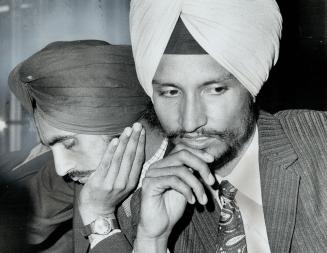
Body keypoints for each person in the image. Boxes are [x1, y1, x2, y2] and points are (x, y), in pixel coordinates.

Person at [127, 0, 327, 252]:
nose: (190, 122)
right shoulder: (151, 202)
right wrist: (153, 240)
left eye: (215, 90)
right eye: (170, 92)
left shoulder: (321, 143)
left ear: (251, 84)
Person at [7, 40, 165, 253]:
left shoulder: (195, 188)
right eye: (50, 147)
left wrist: (99, 218)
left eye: (69, 143)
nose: (61, 168)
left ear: (120, 120)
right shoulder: (84, 173)